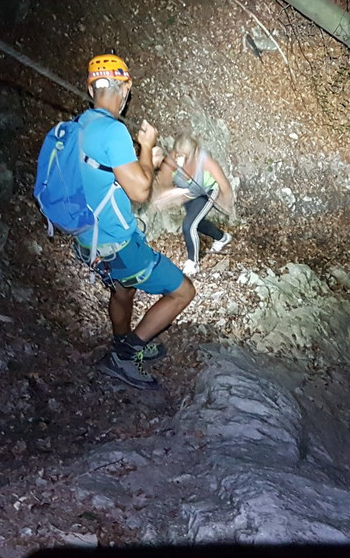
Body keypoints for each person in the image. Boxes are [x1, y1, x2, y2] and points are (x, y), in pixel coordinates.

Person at [75, 53, 195, 390]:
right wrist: (147, 147)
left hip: (89, 241)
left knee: (123, 291)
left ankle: (121, 342)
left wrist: (147, 161)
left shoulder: (83, 124)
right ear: (124, 89)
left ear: (91, 90)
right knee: (183, 292)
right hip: (117, 243)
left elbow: (109, 178)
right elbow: (141, 192)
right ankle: (125, 357)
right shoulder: (112, 131)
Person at [157, 134, 236, 276]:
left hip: (208, 192)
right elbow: (164, 184)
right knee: (197, 222)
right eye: (179, 155)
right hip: (189, 194)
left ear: (196, 152)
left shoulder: (205, 161)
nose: (182, 159)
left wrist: (226, 203)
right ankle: (222, 238)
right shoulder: (171, 161)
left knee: (189, 225)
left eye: (186, 156)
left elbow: (224, 185)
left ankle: (192, 263)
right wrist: (171, 195)